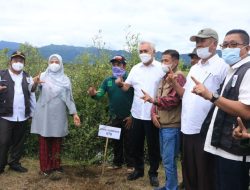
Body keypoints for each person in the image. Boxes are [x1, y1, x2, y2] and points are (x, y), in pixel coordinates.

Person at [168, 28, 229, 190]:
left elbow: (226, 99)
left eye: (202, 41)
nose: (198, 45)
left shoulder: (222, 66)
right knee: (189, 169)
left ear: (214, 44)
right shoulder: (195, 67)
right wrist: (174, 84)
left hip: (205, 128)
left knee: (204, 171)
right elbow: (185, 95)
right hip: (187, 126)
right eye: (197, 42)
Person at [191, 29, 250, 190]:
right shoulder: (233, 69)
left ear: (247, 48)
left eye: (233, 44)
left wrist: (212, 96)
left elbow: (246, 110)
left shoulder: (247, 71)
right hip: (223, 145)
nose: (228, 48)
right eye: (225, 45)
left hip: (235, 149)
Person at [115, 41, 165, 187]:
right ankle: (139, 170)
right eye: (141, 51)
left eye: (146, 50)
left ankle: (153, 173)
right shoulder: (135, 68)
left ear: (154, 52)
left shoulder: (161, 69)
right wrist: (120, 84)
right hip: (137, 113)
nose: (143, 53)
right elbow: (126, 87)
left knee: (153, 146)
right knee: (135, 144)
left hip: (153, 114)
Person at [141, 49, 186, 190]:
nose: (163, 63)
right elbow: (157, 99)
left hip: (172, 126)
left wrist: (153, 101)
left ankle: (171, 187)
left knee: (168, 160)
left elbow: (172, 100)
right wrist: (153, 114)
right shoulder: (164, 78)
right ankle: (169, 185)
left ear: (175, 62)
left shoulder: (178, 77)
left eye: (166, 60)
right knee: (166, 158)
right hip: (163, 125)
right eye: (162, 60)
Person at [30, 54, 80, 176]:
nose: (54, 64)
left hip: (59, 114)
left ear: (61, 64)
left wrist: (74, 114)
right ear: (48, 63)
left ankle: (56, 166)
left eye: (56, 62)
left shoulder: (65, 79)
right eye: (51, 61)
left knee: (57, 139)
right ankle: (45, 167)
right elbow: (31, 90)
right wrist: (35, 83)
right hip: (44, 114)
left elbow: (69, 98)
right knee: (44, 139)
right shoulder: (42, 76)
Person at [87, 55, 134, 172]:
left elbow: (139, 98)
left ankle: (131, 165)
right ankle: (117, 163)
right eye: (114, 64)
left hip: (130, 116)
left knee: (130, 141)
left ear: (124, 65)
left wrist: (132, 116)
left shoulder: (131, 79)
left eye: (118, 64)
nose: (116, 66)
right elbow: (99, 94)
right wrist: (93, 94)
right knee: (116, 141)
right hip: (115, 116)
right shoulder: (108, 81)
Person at [0, 51, 36, 174]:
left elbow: (32, 95)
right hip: (5, 114)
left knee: (18, 141)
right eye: (15, 60)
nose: (18, 63)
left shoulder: (27, 77)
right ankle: (0, 165)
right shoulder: (1, 74)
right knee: (3, 141)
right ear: (10, 62)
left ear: (24, 63)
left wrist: (32, 113)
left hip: (22, 115)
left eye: (20, 61)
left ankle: (14, 163)